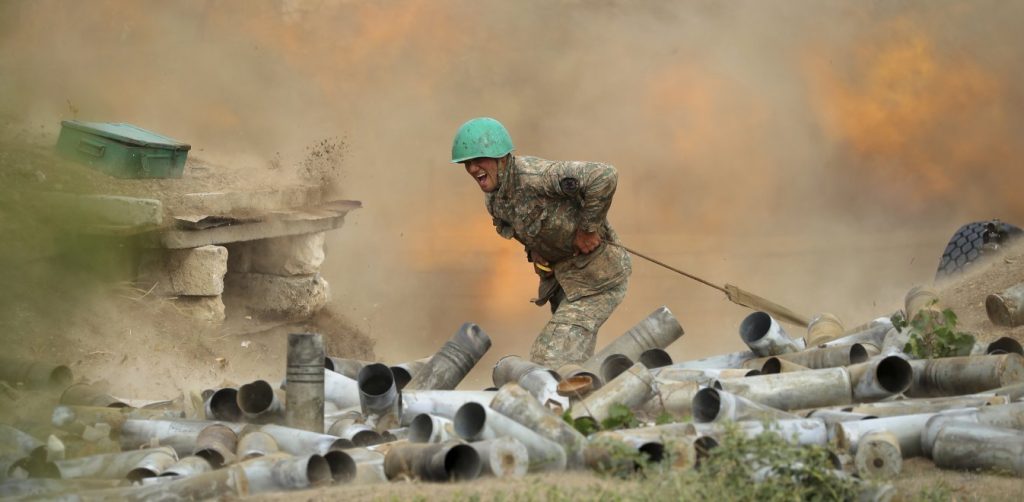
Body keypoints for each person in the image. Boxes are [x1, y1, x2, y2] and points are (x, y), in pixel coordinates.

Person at [451, 117, 631, 370]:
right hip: (565, 285)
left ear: (502, 158)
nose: (472, 169)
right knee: (568, 361)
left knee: (550, 358)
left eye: (479, 160)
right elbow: (524, 228)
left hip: (598, 279)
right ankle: (589, 398)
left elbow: (604, 176)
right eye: (467, 163)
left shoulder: (537, 177)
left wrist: (588, 229)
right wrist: (535, 250)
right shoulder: (495, 200)